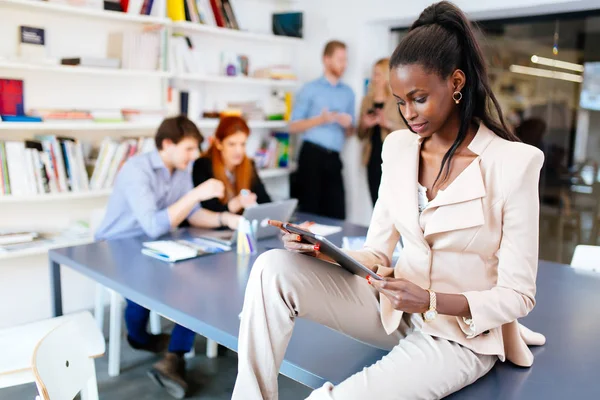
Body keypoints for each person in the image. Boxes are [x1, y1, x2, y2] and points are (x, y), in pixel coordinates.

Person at [232, 2, 546, 399]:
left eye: (418, 98)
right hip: (394, 309)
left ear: (456, 82)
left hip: (460, 336)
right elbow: (377, 251)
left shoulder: (515, 163)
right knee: (271, 267)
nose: (408, 114)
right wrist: (324, 253)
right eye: (400, 101)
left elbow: (519, 296)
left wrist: (430, 299)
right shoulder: (398, 148)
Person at [94, 115, 240, 399]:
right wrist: (197, 193)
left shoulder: (181, 168)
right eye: (188, 149)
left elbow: (191, 213)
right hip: (117, 245)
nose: (194, 155)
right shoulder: (136, 170)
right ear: (167, 144)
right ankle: (140, 338)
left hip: (155, 244)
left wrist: (225, 217)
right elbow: (153, 223)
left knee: (196, 279)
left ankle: (174, 358)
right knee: (144, 289)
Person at [289, 40, 355, 220]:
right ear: (327, 60)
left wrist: (348, 125)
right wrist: (321, 119)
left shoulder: (348, 92)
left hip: (333, 158)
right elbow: (293, 126)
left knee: (337, 213)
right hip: (311, 156)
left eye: (345, 60)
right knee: (309, 213)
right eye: (340, 59)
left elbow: (351, 132)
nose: (345, 64)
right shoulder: (310, 89)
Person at [192, 115, 271, 213]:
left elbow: (265, 202)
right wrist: (234, 205)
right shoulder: (203, 165)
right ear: (218, 143)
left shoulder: (249, 164)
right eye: (232, 144)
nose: (239, 151)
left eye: (243, 144)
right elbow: (205, 211)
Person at [358, 57, 406, 206]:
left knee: (393, 204)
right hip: (372, 158)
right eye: (374, 74)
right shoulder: (367, 100)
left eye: (378, 74)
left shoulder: (399, 100)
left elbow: (410, 131)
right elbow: (360, 134)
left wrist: (388, 123)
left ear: (387, 75)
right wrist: (365, 124)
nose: (374, 78)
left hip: (393, 158)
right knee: (376, 203)